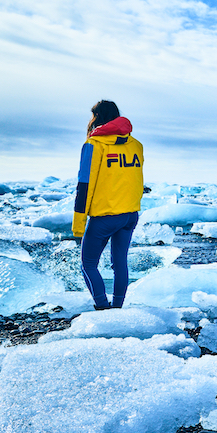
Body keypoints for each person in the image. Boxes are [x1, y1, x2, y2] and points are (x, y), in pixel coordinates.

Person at [72, 101, 144, 310]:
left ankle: (102, 307)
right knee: (120, 263)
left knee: (88, 264)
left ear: (97, 117)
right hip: (130, 215)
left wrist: (78, 226)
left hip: (104, 217)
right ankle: (118, 307)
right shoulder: (136, 145)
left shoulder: (94, 145)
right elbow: (135, 180)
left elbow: (84, 185)